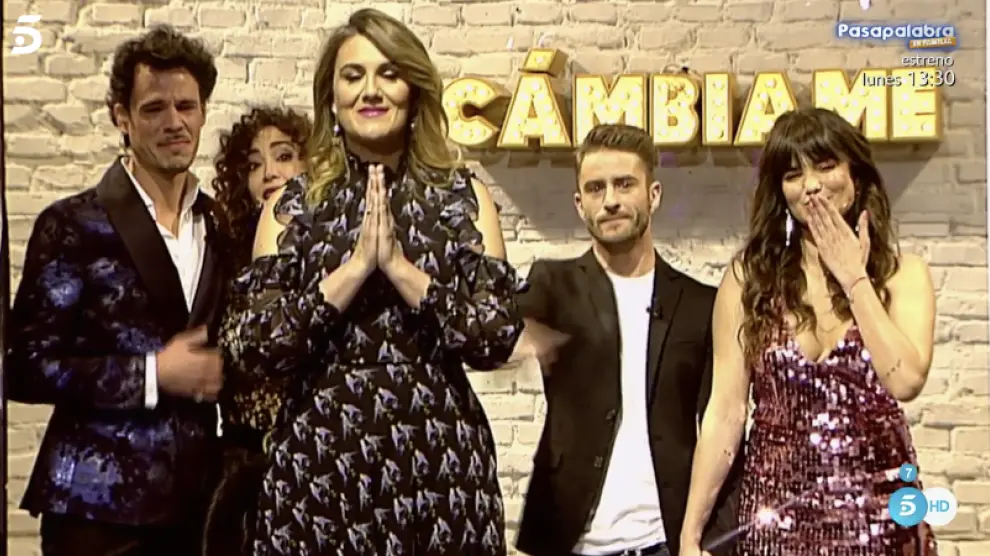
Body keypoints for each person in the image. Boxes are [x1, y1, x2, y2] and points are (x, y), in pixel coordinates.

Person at [218, 8, 523, 555]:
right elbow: (254, 347)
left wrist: (404, 273)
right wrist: (353, 271)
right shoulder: (292, 206)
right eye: (353, 76)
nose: (371, 90)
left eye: (389, 73)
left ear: (414, 90)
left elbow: (495, 338)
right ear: (331, 97)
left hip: (440, 470)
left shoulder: (463, 197)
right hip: (319, 467)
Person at [679, 107, 938, 556]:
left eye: (825, 165)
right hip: (775, 517)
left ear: (855, 173)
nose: (811, 185)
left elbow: (906, 380)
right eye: (793, 174)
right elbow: (726, 413)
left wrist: (854, 278)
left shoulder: (903, 273)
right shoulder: (749, 279)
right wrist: (691, 533)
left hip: (879, 516)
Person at [6, 25, 225, 556]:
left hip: (197, 509)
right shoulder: (71, 223)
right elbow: (24, 366)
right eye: (153, 109)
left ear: (202, 112)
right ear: (120, 117)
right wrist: (152, 374)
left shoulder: (218, 222)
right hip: (96, 512)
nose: (174, 122)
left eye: (186, 106)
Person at [514, 123, 741, 556]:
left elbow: (723, 425)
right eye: (595, 189)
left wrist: (710, 539)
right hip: (568, 542)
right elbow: (488, 339)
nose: (610, 200)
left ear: (653, 195)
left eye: (624, 184)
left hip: (665, 541)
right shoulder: (551, 287)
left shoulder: (700, 304)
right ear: (579, 204)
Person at [202, 106, 313, 556]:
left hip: (315, 463)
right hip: (241, 467)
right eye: (252, 165)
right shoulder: (227, 257)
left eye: (283, 156)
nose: (268, 172)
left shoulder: (335, 253)